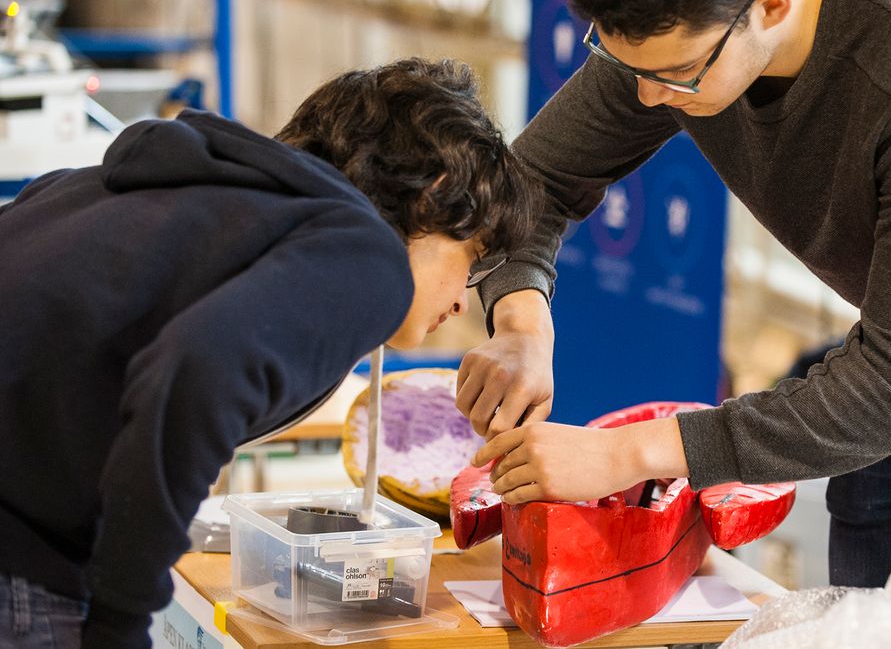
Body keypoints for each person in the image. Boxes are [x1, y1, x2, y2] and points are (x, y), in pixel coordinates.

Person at [462, 0, 891, 589]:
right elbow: (532, 182)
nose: (648, 95)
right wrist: (521, 320)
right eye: (623, 64)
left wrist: (624, 455)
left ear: (774, 5)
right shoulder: (673, 24)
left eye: (680, 74)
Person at [0, 57, 540, 648]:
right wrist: (120, 621)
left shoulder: (171, 191)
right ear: (434, 195)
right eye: (473, 256)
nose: (463, 302)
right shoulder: (369, 256)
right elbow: (197, 376)